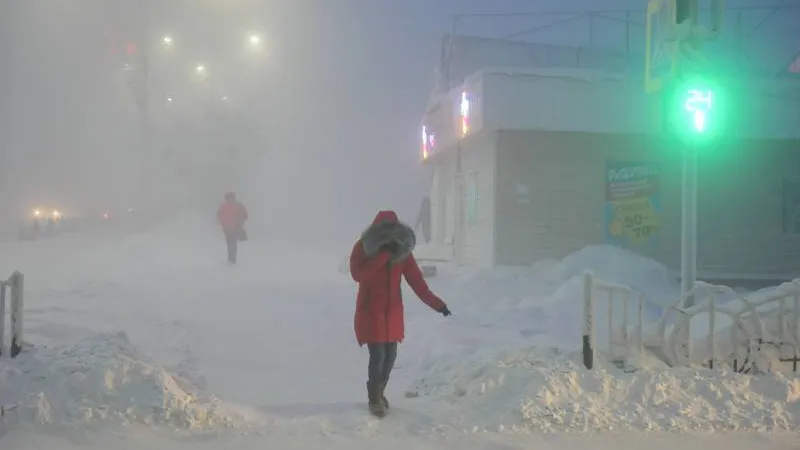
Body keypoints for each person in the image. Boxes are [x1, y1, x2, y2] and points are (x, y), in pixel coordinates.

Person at [349, 210, 451, 418]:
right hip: (371, 312)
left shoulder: (402, 251)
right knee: (378, 356)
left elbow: (418, 283)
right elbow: (359, 275)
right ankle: (375, 400)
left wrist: (438, 305)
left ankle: (379, 391)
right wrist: (383, 256)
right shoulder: (364, 247)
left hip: (393, 313)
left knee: (390, 357)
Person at [217, 192, 248, 264]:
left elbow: (219, 216)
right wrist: (240, 222)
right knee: (233, 243)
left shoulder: (223, 206)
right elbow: (245, 215)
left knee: (229, 243)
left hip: (227, 228)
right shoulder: (238, 205)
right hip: (235, 227)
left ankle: (230, 258)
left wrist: (223, 224)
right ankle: (232, 258)